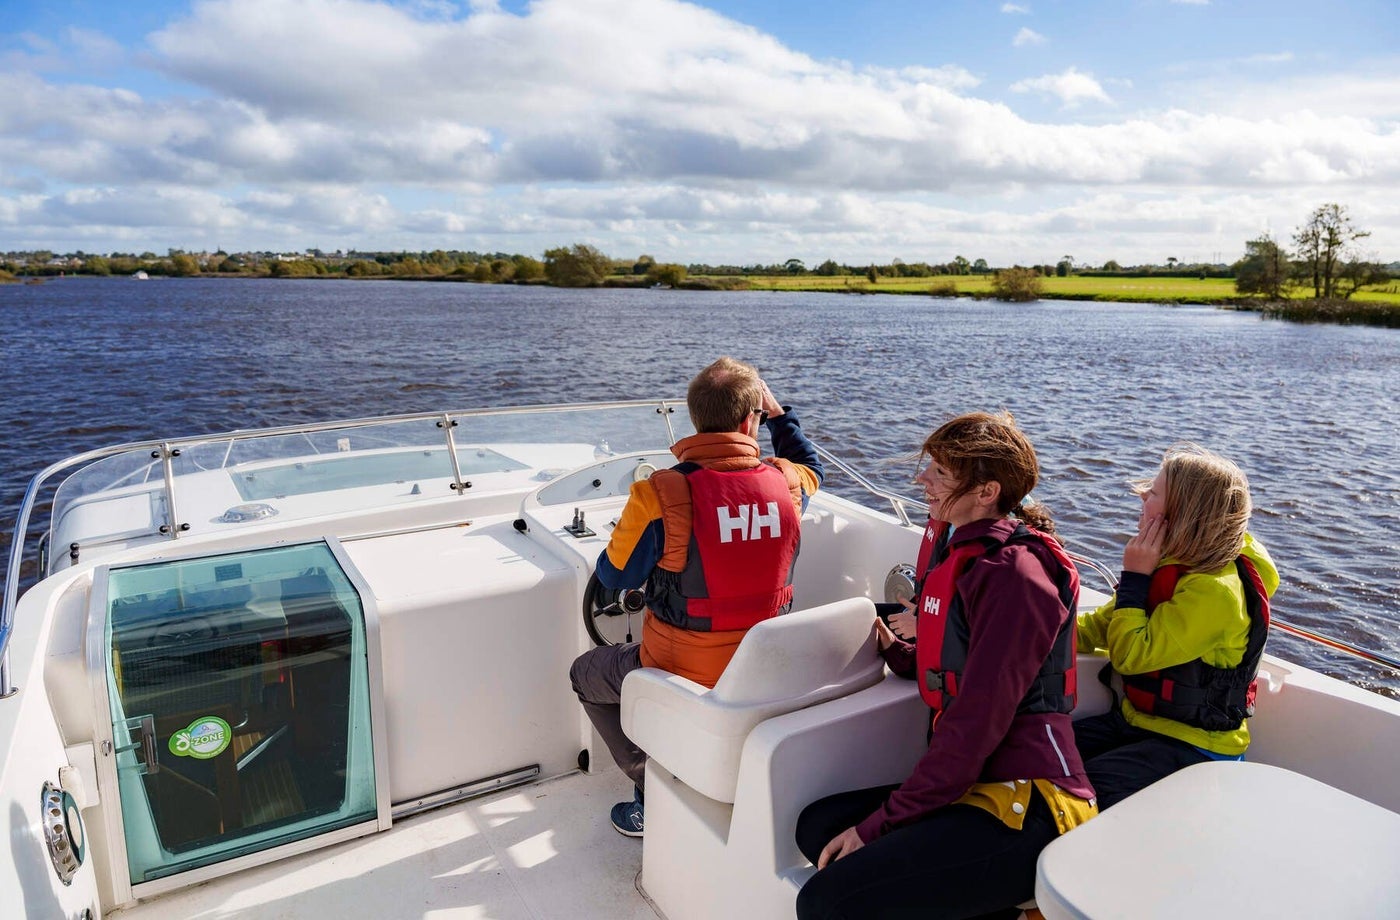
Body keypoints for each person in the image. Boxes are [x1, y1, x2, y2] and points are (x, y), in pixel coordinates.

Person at [795, 412, 1096, 920]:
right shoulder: (970, 557)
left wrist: (877, 827)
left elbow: (976, 723)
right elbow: (955, 669)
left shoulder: (1016, 577)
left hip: (1029, 800)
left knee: (827, 901)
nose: (922, 481)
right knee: (817, 825)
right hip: (976, 781)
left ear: (987, 492)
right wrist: (896, 650)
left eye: (940, 472)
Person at [570, 357, 823, 837]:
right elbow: (813, 467)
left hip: (679, 672)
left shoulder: (658, 493)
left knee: (586, 673)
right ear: (751, 420)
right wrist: (778, 416)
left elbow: (615, 575)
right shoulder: (788, 483)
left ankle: (652, 791)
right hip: (767, 668)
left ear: (694, 418)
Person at [1073, 443, 1278, 810]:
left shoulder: (1216, 593)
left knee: (1080, 797)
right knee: (1039, 753)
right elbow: (1098, 629)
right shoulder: (1172, 567)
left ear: (1183, 513)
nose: (1140, 497)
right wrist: (1024, 633)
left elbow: (1131, 657)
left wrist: (1135, 578)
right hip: (1140, 726)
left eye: (1152, 493)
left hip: (1193, 747)